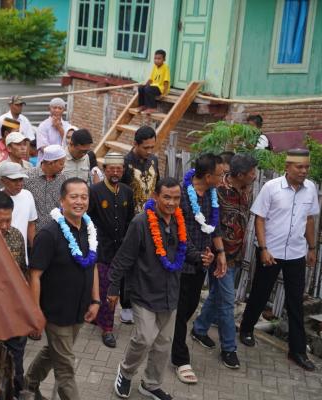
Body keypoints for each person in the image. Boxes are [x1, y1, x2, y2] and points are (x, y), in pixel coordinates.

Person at [108, 177, 209, 400]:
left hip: (171, 293)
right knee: (144, 338)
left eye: (176, 198)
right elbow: (123, 258)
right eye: (167, 197)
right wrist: (113, 288)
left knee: (163, 343)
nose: (172, 203)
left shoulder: (178, 221)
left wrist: (203, 258)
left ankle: (151, 384)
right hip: (144, 291)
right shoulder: (140, 223)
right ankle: (125, 372)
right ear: (155, 197)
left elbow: (188, 248)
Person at [239, 149, 319, 371]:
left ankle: (298, 351)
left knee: (295, 302)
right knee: (260, 293)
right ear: (287, 167)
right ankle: (246, 329)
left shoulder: (310, 189)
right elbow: (260, 219)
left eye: (306, 167)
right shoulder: (271, 188)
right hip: (270, 251)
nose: (304, 171)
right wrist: (263, 248)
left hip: (295, 253)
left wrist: (311, 248)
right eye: (299, 167)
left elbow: (309, 220)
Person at [25, 177, 100, 400]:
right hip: (56, 311)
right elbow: (35, 275)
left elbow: (93, 264)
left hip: (79, 309)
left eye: (84, 197)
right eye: (74, 197)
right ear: (62, 200)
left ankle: (27, 383)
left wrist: (95, 300)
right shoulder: (49, 234)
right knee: (66, 366)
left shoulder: (89, 229)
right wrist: (36, 312)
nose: (79, 201)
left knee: (56, 352)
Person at [192, 154, 258, 370]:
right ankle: (229, 348)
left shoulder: (245, 191)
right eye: (251, 172)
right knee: (227, 302)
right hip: (219, 256)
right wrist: (219, 254)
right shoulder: (218, 192)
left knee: (217, 294)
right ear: (240, 175)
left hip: (236, 254)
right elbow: (212, 225)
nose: (255, 175)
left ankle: (200, 329)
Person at [172, 153, 226, 385]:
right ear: (207, 176)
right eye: (220, 174)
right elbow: (178, 232)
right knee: (181, 311)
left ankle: (167, 338)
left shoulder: (213, 195)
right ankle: (180, 359)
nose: (223, 178)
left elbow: (214, 227)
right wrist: (197, 255)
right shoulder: (181, 195)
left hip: (201, 264)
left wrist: (220, 255)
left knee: (188, 308)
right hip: (181, 263)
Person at [88, 152, 135, 347]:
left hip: (121, 249)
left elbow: (130, 219)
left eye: (119, 169)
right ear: (105, 169)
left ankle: (97, 315)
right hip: (102, 249)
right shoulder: (95, 191)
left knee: (113, 286)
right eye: (112, 169)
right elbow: (88, 220)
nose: (115, 172)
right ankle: (107, 328)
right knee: (106, 287)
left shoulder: (126, 191)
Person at [0, 190, 28, 396]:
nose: (4, 226)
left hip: (13, 314)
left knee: (16, 366)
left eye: (8, 220)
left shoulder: (17, 236)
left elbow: (23, 274)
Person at [0, 162, 37, 261]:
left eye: (21, 179)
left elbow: (31, 224)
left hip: (22, 256)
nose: (19, 183)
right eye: (14, 180)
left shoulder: (27, 195)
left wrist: (35, 249)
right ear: (2, 181)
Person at [25, 144, 68, 231]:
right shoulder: (27, 177)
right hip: (34, 232)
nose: (63, 166)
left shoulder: (63, 179)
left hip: (56, 231)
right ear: (50, 163)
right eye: (61, 164)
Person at [122, 126, 160, 213]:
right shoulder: (124, 164)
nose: (149, 151)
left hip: (151, 214)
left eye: (152, 147)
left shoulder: (154, 160)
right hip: (130, 216)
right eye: (146, 148)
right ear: (135, 144)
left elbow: (157, 185)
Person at [137, 49, 170, 114]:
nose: (156, 60)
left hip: (161, 88)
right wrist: (144, 85)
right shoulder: (155, 66)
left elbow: (166, 82)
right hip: (153, 87)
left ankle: (152, 108)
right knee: (141, 88)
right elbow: (151, 79)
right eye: (155, 58)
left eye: (159, 59)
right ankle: (143, 105)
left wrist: (164, 94)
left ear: (164, 59)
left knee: (148, 89)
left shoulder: (166, 67)